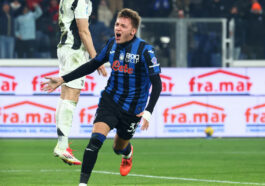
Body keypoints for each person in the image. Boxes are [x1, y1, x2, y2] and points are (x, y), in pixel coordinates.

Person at [42, 8, 162, 185]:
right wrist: (62, 79)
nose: (117, 28)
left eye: (123, 26)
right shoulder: (112, 44)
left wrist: (148, 112)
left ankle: (127, 153)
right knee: (95, 142)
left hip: (133, 109)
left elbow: (157, 84)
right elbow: (93, 64)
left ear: (133, 31)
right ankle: (82, 184)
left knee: (117, 147)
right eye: (117, 24)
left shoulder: (145, 51)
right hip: (110, 101)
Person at [52, 0, 107, 165]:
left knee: (65, 95)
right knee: (71, 95)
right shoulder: (81, 1)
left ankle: (62, 145)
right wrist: (96, 58)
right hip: (74, 51)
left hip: (65, 47)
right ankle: (62, 146)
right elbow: (83, 31)